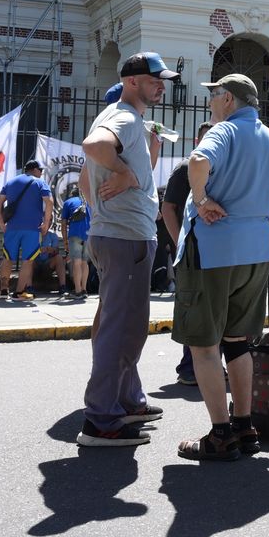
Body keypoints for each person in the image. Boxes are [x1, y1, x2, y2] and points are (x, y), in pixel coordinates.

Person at [174, 73, 269, 460]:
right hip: (256, 251)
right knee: (238, 343)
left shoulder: (223, 130)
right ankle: (244, 427)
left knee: (204, 346)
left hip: (213, 251)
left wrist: (199, 199)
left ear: (228, 99)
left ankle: (220, 434)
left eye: (214, 95)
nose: (211, 101)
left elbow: (198, 160)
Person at [74, 51, 176, 447]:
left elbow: (86, 181)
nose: (161, 86)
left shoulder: (129, 120)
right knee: (122, 328)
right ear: (132, 80)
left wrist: (107, 199)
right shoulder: (124, 118)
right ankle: (101, 419)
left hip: (119, 233)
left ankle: (125, 401)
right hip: (125, 237)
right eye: (155, 79)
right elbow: (93, 145)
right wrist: (124, 173)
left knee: (125, 325)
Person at [162, 120, 213, 385]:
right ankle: (189, 367)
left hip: (217, 251)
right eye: (206, 138)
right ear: (196, 141)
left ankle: (210, 366)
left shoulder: (223, 167)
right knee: (193, 308)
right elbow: (168, 208)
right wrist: (180, 242)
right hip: (191, 252)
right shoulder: (184, 169)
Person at [0, 159, 53, 301]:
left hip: (12, 228)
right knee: (28, 261)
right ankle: (19, 293)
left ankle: (4, 290)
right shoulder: (40, 182)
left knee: (7, 258)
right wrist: (46, 223)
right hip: (32, 229)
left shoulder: (11, 182)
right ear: (34, 170)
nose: (41, 173)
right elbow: (49, 201)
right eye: (41, 170)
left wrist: (1, 222)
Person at [59, 190, 91, 301]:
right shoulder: (89, 202)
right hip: (88, 235)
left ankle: (77, 291)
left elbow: (63, 224)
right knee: (84, 262)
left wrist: (65, 242)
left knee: (76, 262)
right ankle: (84, 289)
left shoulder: (68, 202)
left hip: (75, 235)